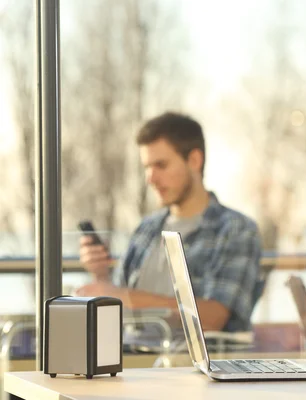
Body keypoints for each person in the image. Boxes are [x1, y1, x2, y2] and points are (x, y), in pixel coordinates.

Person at [77, 112, 262, 332]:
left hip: (194, 365)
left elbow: (212, 319)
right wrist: (101, 276)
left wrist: (126, 297)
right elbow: (118, 307)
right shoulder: (147, 228)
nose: (150, 178)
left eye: (161, 165)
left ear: (194, 160)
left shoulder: (235, 230)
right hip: (133, 362)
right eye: (147, 167)